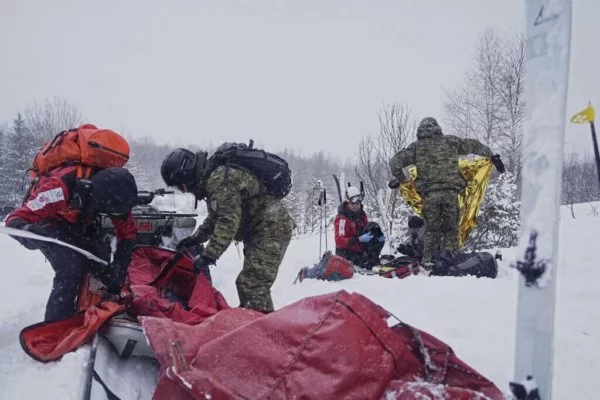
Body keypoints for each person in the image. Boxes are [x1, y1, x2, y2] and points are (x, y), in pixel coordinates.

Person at [160, 148, 294, 313]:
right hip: (260, 230)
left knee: (252, 285)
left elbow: (228, 222)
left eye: (180, 187)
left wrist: (208, 255)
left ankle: (262, 330)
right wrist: (194, 239)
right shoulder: (213, 179)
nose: (184, 190)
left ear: (186, 176)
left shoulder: (219, 181)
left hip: (272, 228)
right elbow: (214, 219)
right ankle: (253, 321)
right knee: (249, 284)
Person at [6, 167, 138, 321]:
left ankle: (96, 308)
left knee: (102, 262)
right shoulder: (59, 188)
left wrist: (119, 268)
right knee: (70, 268)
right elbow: (15, 219)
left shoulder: (119, 196)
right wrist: (27, 231)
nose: (118, 216)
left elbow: (128, 234)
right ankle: (55, 326)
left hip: (79, 222)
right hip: (50, 222)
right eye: (112, 213)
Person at [389, 117, 504, 269]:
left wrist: (402, 179)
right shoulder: (451, 141)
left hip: (430, 195)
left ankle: (428, 261)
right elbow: (474, 145)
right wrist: (492, 155)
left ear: (420, 130)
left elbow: (394, 162)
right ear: (437, 128)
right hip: (450, 193)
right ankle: (451, 259)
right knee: (452, 229)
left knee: (431, 229)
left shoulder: (416, 147)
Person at [333, 186, 385, 270]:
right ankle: (368, 262)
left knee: (374, 228)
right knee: (366, 262)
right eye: (353, 203)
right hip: (345, 253)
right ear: (348, 202)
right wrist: (359, 239)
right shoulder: (342, 219)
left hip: (358, 249)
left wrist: (377, 236)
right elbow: (339, 240)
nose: (356, 206)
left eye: (358, 203)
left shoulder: (361, 214)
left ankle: (372, 259)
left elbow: (366, 229)